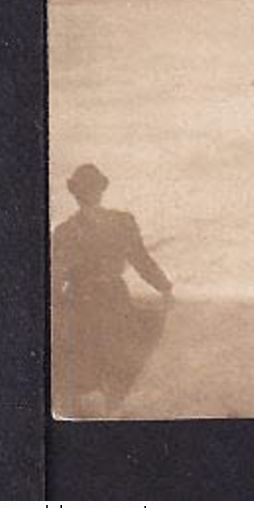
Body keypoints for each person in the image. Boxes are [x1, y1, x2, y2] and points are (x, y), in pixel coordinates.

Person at [51, 164, 173, 417]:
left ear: (101, 188)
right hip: (81, 302)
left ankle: (112, 415)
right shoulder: (65, 231)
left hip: (114, 300)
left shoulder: (122, 222)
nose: (89, 191)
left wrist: (164, 287)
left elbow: (140, 258)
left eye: (93, 186)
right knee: (80, 366)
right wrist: (57, 300)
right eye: (84, 187)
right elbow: (56, 272)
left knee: (121, 360)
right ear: (76, 191)